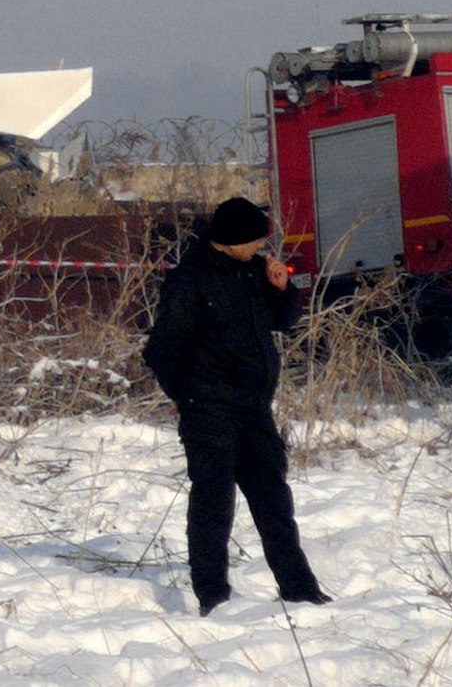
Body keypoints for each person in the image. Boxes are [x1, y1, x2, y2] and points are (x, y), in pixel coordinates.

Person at [143, 197, 331, 616]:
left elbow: (283, 322)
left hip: (255, 407)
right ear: (229, 241)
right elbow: (160, 350)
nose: (265, 242)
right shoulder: (189, 280)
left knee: (273, 500)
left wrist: (283, 288)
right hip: (209, 410)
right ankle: (213, 596)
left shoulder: (253, 270)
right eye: (256, 236)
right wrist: (187, 398)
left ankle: (300, 590)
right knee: (214, 505)